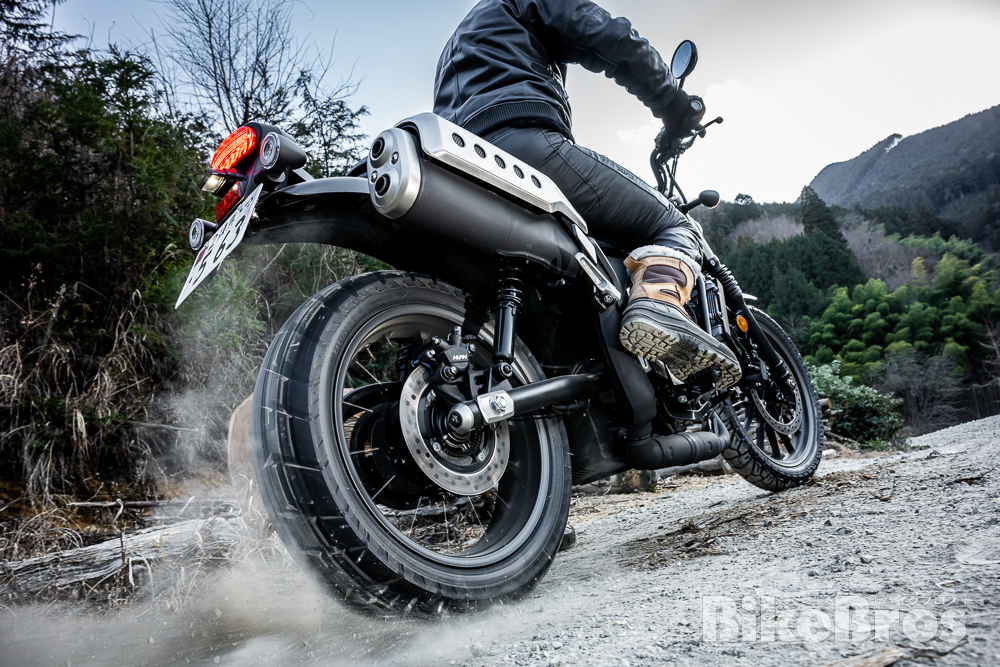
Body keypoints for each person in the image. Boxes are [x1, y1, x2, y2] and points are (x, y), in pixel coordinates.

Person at [433, 0, 739, 387]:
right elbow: (607, 35)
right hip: (525, 148)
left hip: (464, 167)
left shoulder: (455, 45)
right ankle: (659, 304)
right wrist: (674, 103)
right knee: (677, 225)